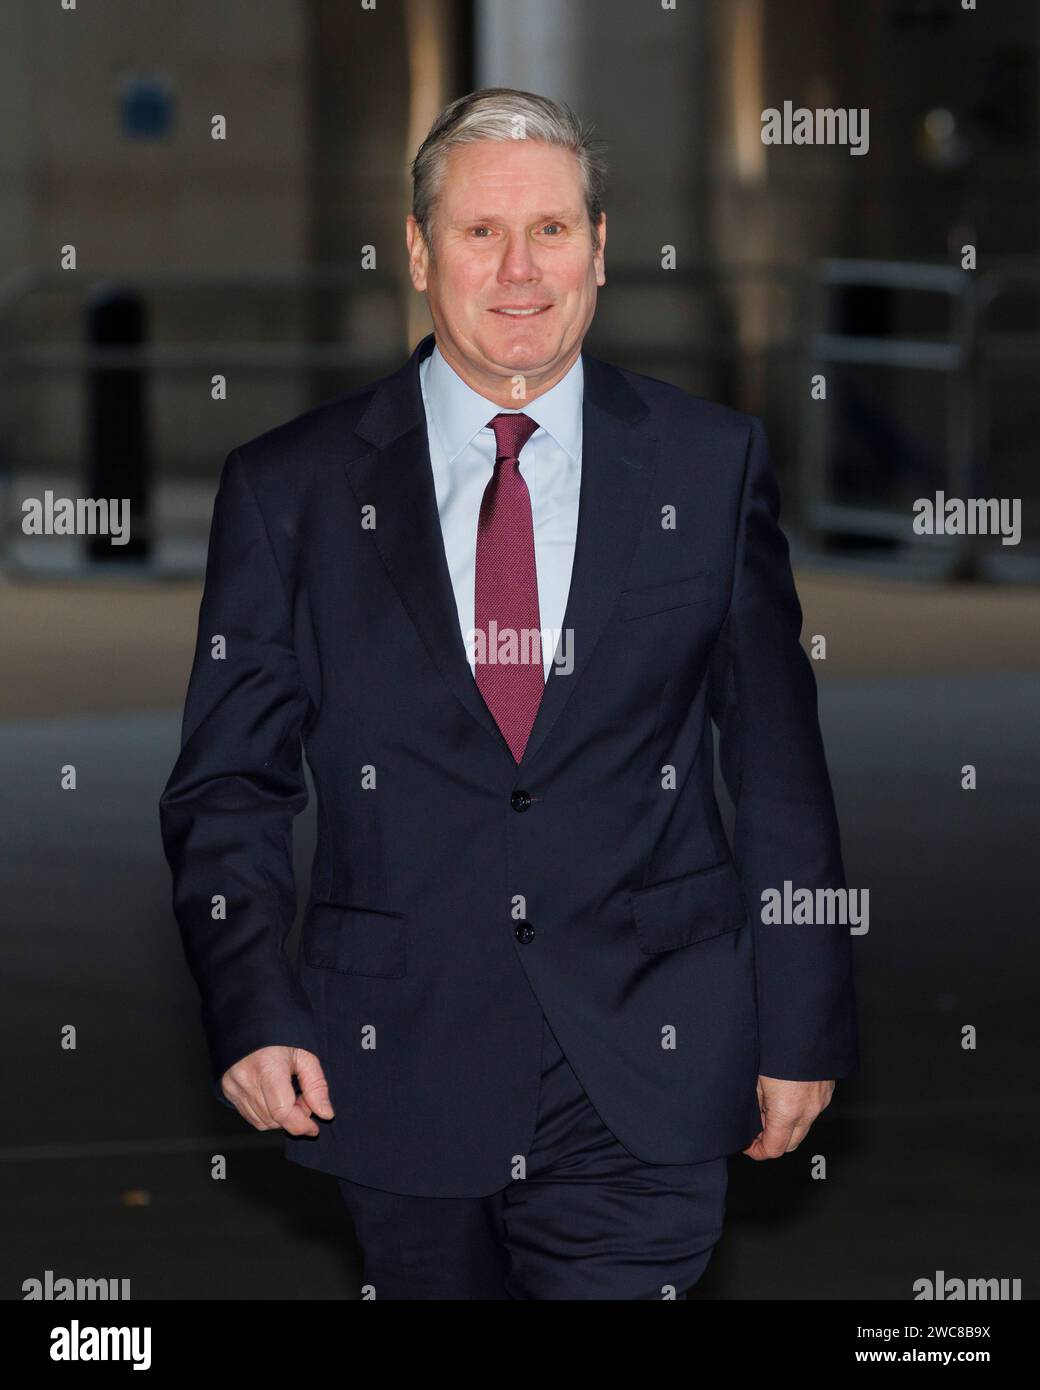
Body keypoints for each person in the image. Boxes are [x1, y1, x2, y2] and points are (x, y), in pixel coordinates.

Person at [159, 87, 860, 1301]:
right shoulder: (292, 490)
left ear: (599, 246)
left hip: (651, 1052)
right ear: (421, 254)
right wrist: (251, 1000)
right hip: (394, 1060)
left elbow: (777, 766)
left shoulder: (707, 462)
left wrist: (799, 1015)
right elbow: (229, 783)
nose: (519, 268)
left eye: (549, 230)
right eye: (481, 233)